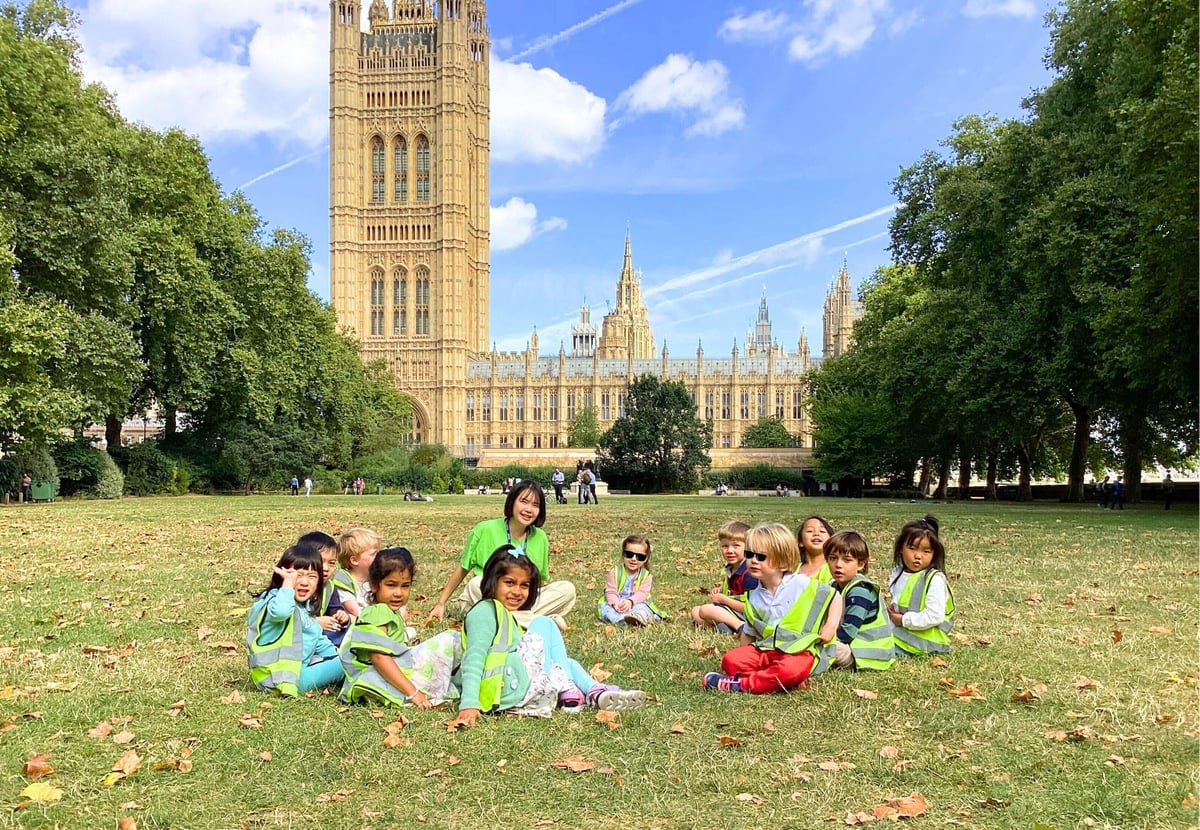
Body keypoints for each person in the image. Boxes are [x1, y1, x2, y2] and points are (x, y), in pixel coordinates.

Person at [448, 547, 646, 728]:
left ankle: (596, 692)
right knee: (544, 623)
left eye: (524, 585)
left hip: (516, 683)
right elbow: (474, 658)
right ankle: (567, 687)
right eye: (509, 583)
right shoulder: (484, 611)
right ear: (492, 581)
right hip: (506, 689)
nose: (517, 591)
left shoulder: (502, 614)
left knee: (568, 662)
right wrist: (469, 704)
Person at [702, 522, 842, 694]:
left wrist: (830, 626)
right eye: (749, 554)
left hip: (799, 651)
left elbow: (834, 596)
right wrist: (742, 654)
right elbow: (749, 632)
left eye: (761, 557)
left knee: (790, 669)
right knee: (730, 661)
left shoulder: (800, 583)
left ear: (782, 563)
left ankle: (741, 685)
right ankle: (776, 681)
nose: (753, 560)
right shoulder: (755, 596)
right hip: (767, 650)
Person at [427, 481, 576, 628]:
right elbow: (463, 569)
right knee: (475, 584)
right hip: (488, 596)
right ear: (512, 502)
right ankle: (540, 622)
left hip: (522, 599)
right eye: (523, 502)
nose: (529, 509)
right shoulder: (484, 529)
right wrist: (441, 603)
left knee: (567, 589)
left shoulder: (540, 537)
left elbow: (538, 583)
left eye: (535, 505)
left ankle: (516, 621)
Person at [339, 548, 460, 708]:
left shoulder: (390, 612)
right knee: (451, 639)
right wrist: (414, 693)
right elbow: (379, 657)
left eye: (405, 586)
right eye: (391, 585)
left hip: (393, 672)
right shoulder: (378, 612)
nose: (399, 593)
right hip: (378, 678)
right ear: (374, 585)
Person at [245, 543, 342, 695]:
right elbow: (281, 612)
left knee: (342, 659)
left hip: (290, 674)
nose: (304, 582)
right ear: (282, 577)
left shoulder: (304, 608)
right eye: (297, 575)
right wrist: (288, 584)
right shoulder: (276, 600)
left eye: (312, 576)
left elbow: (318, 639)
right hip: (281, 678)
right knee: (348, 663)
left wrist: (334, 657)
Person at [887, 515, 955, 657]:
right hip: (900, 633)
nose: (918, 556)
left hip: (924, 642)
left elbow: (935, 616)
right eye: (912, 548)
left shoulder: (934, 579)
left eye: (926, 551)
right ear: (901, 548)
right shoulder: (898, 573)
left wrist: (903, 620)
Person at [826, 531, 893, 671]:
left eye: (847, 560)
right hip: (851, 646)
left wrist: (822, 640)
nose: (838, 565)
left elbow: (848, 633)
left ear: (861, 564)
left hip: (866, 653)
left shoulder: (860, 591)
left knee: (828, 647)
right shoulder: (833, 586)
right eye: (833, 558)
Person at [690, 520, 757, 634]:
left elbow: (753, 609)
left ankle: (740, 627)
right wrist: (721, 589)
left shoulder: (750, 573)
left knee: (706, 610)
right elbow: (735, 589)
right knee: (696, 611)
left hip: (749, 616)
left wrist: (723, 599)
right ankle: (727, 630)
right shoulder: (732, 568)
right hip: (733, 612)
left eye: (736, 546)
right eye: (725, 546)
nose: (730, 550)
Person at [597, 535, 666, 626]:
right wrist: (616, 604)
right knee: (608, 609)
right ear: (623, 554)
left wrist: (631, 601)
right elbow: (611, 591)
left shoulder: (646, 576)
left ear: (646, 559)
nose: (633, 559)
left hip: (636, 602)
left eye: (640, 557)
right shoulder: (615, 572)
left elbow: (642, 594)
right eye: (629, 555)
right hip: (618, 601)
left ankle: (638, 617)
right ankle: (621, 620)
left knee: (642, 608)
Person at [300, 531, 351, 647]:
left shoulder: (329, 586)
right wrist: (315, 623)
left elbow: (335, 609)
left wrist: (342, 616)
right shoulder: (295, 587)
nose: (326, 568)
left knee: (352, 631)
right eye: (321, 561)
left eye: (332, 563)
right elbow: (286, 620)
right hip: (298, 639)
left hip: (321, 636)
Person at [331, 528, 381, 618]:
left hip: (377, 619)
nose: (380, 556)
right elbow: (354, 611)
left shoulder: (378, 577)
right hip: (355, 623)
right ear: (354, 560)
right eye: (374, 554)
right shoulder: (344, 581)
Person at [797, 516, 834, 583]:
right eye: (810, 531)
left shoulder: (834, 567)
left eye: (822, 531)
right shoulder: (793, 570)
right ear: (800, 542)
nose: (816, 534)